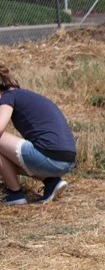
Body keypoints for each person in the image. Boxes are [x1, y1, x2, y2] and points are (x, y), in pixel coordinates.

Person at [0, 64, 76, 205]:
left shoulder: (8, 97)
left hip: (50, 158)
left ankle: (15, 194)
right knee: (5, 156)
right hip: (66, 160)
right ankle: (51, 182)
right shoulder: (25, 95)